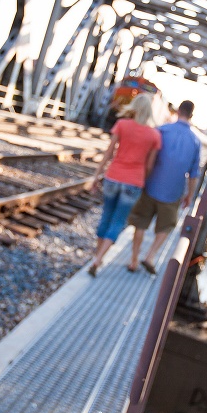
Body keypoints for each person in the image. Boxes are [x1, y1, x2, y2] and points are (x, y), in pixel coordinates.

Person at [87, 93, 162, 277]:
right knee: (118, 221)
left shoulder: (122, 125)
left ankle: (98, 256)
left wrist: (97, 176)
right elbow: (150, 165)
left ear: (134, 107)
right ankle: (98, 258)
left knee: (106, 216)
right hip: (133, 182)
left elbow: (108, 153)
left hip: (113, 177)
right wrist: (142, 181)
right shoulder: (154, 135)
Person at [127, 100, 201, 274]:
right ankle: (150, 256)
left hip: (150, 184)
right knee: (166, 226)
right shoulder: (195, 142)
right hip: (173, 191)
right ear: (191, 115)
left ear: (177, 111)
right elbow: (194, 174)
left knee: (141, 222)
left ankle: (134, 260)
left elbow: (145, 157)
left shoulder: (161, 130)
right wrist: (189, 195)